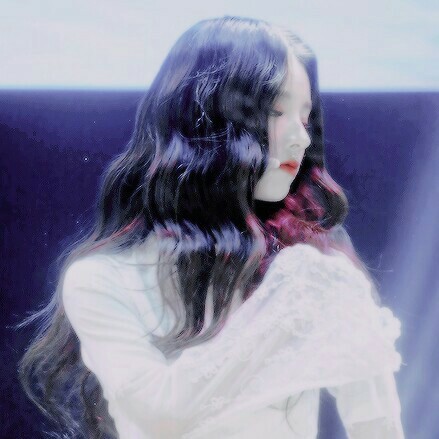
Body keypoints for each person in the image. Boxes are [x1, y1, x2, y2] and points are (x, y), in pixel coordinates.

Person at [17, 15, 405, 438]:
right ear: (208, 121)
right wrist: (286, 302)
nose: (302, 138)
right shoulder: (101, 280)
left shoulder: (313, 271)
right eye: (277, 111)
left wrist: (308, 287)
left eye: (305, 116)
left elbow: (379, 426)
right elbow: (162, 415)